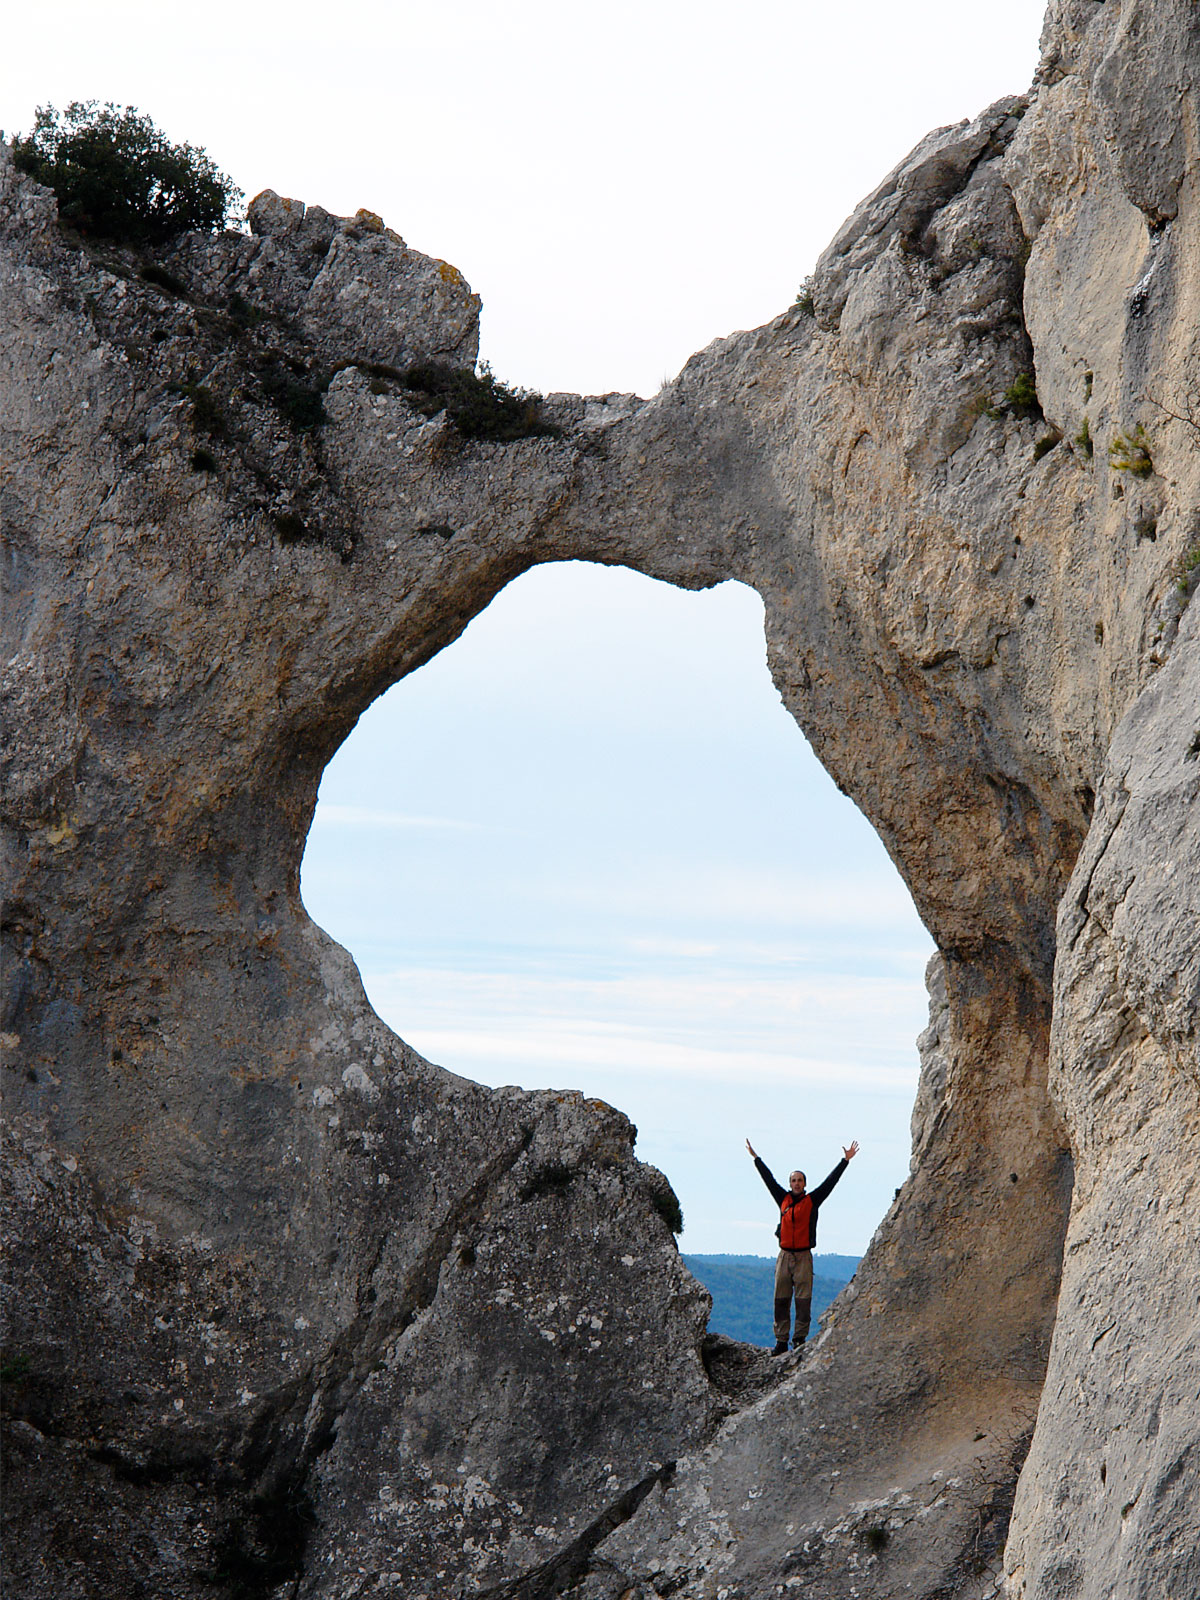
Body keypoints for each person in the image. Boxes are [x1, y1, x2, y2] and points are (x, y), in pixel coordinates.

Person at [745, 1137, 859, 1355]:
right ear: (790, 1184)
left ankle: (799, 1339)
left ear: (804, 1184)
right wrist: (756, 1158)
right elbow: (768, 1179)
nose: (796, 1183)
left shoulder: (812, 1200)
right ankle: (780, 1341)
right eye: (793, 1180)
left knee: (803, 1300)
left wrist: (845, 1161)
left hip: (804, 1256)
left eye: (799, 1180)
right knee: (781, 1299)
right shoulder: (783, 1199)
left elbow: (830, 1183)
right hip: (785, 1256)